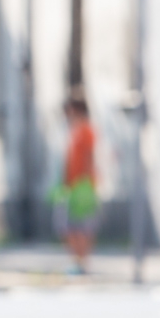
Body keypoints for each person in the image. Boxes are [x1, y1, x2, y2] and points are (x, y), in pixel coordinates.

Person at [54, 93, 99, 274]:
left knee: (82, 227)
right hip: (70, 187)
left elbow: (89, 158)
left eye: (70, 110)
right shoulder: (72, 131)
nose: (67, 114)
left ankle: (82, 262)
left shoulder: (86, 130)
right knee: (67, 227)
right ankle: (77, 260)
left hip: (82, 187)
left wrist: (86, 184)